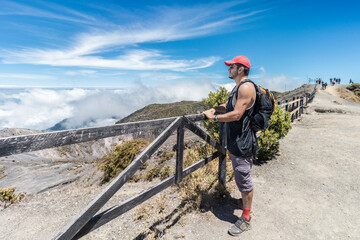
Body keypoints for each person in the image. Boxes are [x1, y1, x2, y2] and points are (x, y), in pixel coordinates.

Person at [203, 56, 257, 236]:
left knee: (244, 177)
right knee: (241, 175)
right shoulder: (238, 87)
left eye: (231, 67)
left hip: (243, 142)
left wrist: (215, 118)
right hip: (237, 140)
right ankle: (243, 203)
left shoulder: (247, 87)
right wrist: (215, 109)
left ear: (240, 69)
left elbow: (237, 114)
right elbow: (229, 105)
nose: (228, 70)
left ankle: (246, 218)